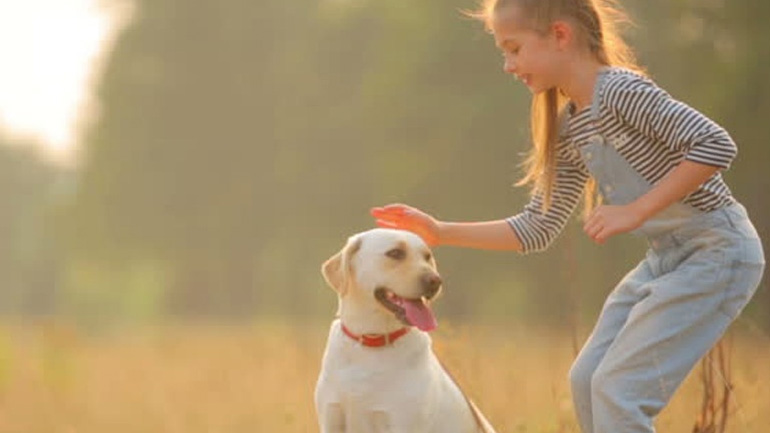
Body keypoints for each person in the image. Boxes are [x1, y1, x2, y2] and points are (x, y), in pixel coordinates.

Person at [369, 0, 766, 432]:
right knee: (586, 379)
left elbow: (714, 145)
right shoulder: (573, 125)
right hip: (668, 259)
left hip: (718, 251)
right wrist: (440, 232)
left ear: (560, 35)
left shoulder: (621, 91)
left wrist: (635, 210)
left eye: (514, 49)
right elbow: (537, 228)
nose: (507, 65)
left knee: (618, 389)